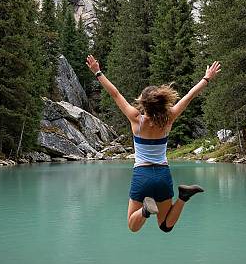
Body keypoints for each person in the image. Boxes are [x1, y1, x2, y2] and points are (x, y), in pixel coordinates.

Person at [86, 55, 221, 233]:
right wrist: (206, 78)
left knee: (132, 226)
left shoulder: (136, 119)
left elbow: (115, 93)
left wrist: (98, 72)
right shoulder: (169, 119)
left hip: (142, 174)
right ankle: (183, 197)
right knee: (165, 226)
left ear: (144, 103)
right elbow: (189, 97)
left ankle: (145, 210)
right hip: (163, 175)